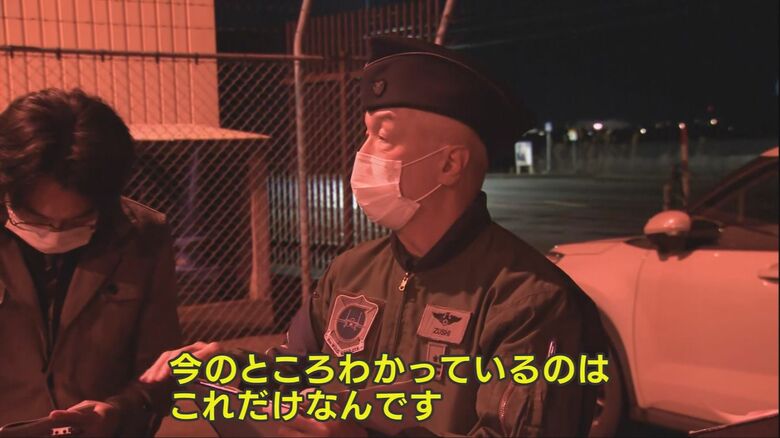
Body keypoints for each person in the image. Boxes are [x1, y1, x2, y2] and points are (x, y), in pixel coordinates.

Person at [142, 37, 608, 436]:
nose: (362, 153)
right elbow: (301, 366)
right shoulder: (351, 270)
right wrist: (227, 365)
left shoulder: (528, 300)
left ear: (450, 164)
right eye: (365, 135)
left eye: (382, 137)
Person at [0, 88, 181, 436]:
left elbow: (159, 369)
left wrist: (118, 412)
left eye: (78, 220)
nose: (56, 232)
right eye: (36, 219)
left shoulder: (142, 235)